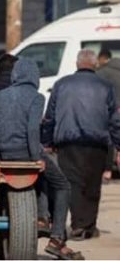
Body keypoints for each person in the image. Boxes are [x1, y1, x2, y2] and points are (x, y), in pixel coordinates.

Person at [0, 58, 82, 260]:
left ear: (15, 75)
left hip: (4, 156)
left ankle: (42, 218)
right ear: (35, 77)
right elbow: (31, 130)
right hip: (26, 154)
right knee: (62, 185)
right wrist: (36, 159)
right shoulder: (36, 97)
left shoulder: (0, 96)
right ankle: (56, 238)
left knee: (43, 178)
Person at [42, 49, 120, 241]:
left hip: (68, 142)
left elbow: (50, 116)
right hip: (97, 143)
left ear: (77, 64)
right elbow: (114, 120)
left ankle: (78, 225)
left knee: (73, 184)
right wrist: (118, 144)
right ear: (95, 64)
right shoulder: (106, 86)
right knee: (93, 185)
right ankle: (87, 225)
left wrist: (47, 141)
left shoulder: (61, 84)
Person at [97, 48, 120, 183]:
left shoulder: (102, 73)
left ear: (102, 58)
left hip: (111, 109)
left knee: (110, 139)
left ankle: (107, 171)